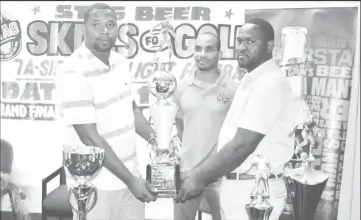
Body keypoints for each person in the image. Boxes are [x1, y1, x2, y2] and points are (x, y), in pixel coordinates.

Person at [175, 18, 297, 220]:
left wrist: (198, 176)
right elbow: (227, 141)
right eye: (239, 41)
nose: (242, 47)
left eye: (250, 42)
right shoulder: (248, 81)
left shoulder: (270, 82)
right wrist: (194, 172)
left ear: (269, 47)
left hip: (256, 193)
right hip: (237, 188)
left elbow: (243, 144)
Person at [55, 3, 158, 220]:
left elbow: (131, 109)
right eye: (96, 25)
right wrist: (130, 180)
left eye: (110, 25)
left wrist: (159, 143)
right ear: (84, 28)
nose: (104, 31)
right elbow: (88, 136)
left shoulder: (120, 62)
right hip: (95, 185)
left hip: (131, 174)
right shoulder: (73, 70)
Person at [173, 32, 238, 220]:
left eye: (209, 49)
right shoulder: (181, 87)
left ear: (220, 53)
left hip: (221, 175)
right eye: (198, 48)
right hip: (187, 174)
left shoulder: (233, 89)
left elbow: (236, 135)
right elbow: (180, 125)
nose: (202, 54)